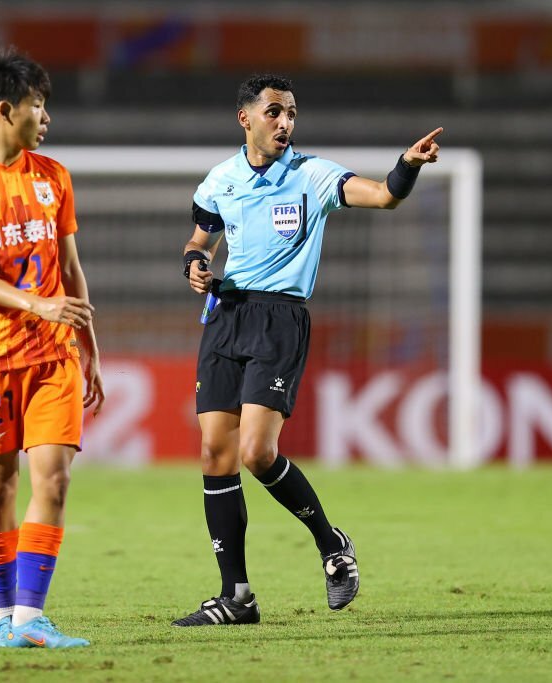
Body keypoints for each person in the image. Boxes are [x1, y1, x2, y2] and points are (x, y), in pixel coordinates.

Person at [174, 74, 441, 626]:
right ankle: (236, 598)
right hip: (226, 316)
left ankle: (332, 543)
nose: (285, 122)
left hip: (279, 320)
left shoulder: (313, 176)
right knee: (213, 456)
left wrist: (407, 165)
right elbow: (200, 237)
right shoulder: (220, 180)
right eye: (274, 112)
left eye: (291, 113)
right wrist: (196, 264)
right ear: (245, 118)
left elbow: (385, 195)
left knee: (256, 453)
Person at [0, 47, 105, 649]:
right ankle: (5, 617)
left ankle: (30, 618)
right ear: (7, 110)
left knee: (52, 479)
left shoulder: (54, 176)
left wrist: (89, 346)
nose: (47, 117)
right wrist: (37, 303)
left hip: (55, 351)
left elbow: (71, 270)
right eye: (39, 105)